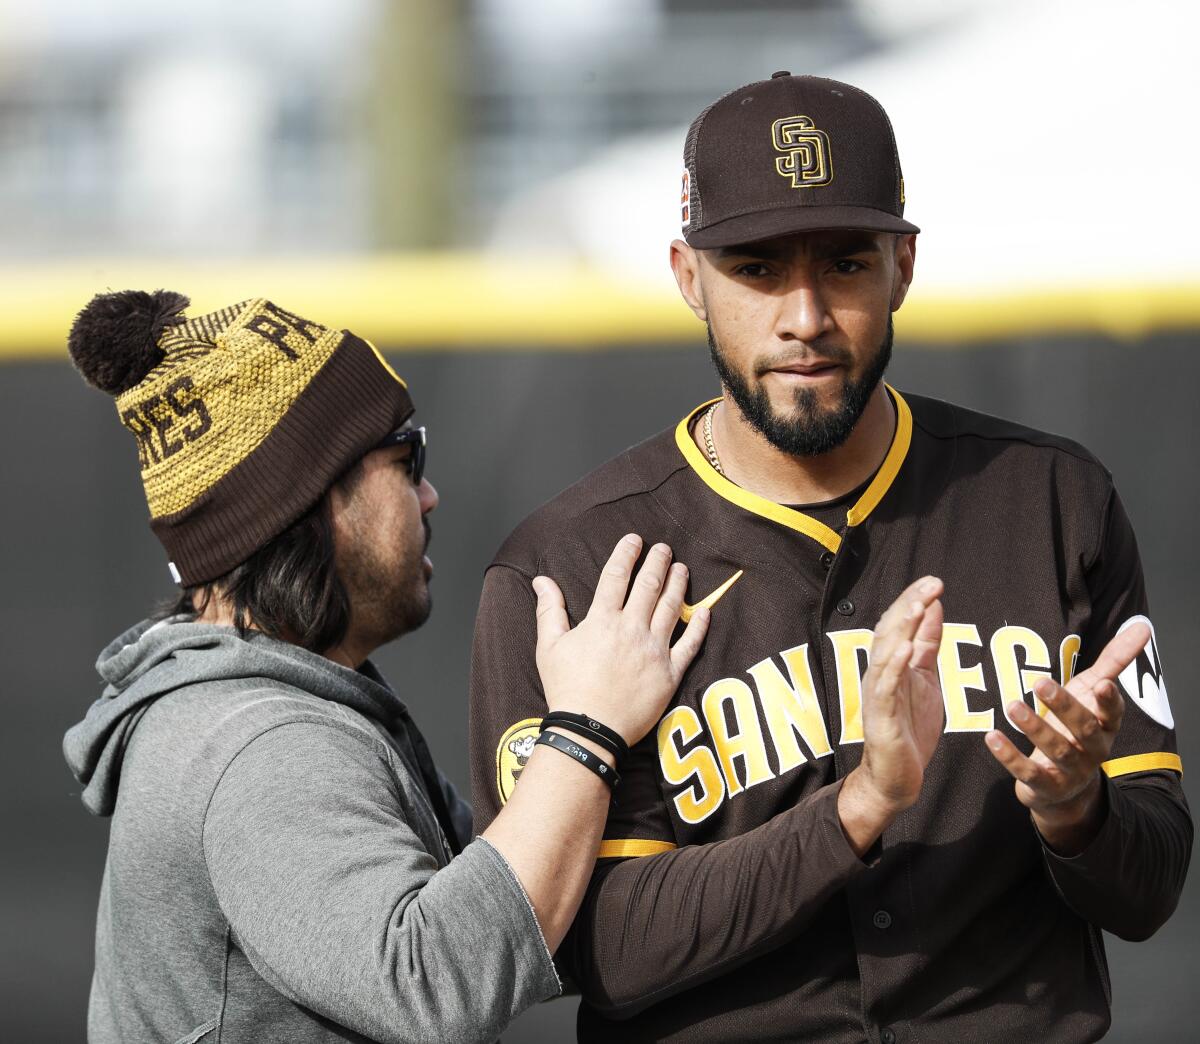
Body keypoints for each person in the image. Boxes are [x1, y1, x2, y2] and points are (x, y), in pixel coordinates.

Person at [467, 73, 1192, 1043]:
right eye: (758, 270)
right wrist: (861, 805)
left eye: (844, 265)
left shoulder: (1054, 501)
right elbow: (586, 948)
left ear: (903, 264)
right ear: (689, 276)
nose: (804, 315)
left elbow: (1148, 890)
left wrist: (1076, 812)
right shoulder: (571, 568)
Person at [60, 289, 716, 1044]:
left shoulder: (268, 707)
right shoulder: (258, 747)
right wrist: (586, 732)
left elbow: (524, 923)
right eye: (406, 459)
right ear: (308, 503)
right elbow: (435, 984)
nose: (430, 494)